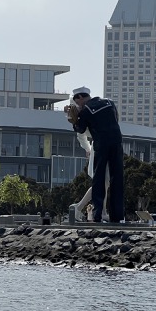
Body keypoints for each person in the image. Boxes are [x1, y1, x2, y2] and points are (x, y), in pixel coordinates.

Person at [72, 86, 124, 223]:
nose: (77, 105)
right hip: (117, 141)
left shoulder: (86, 111)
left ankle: (98, 213)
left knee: (99, 180)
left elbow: (80, 130)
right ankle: (117, 215)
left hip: (101, 144)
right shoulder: (109, 102)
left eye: (77, 102)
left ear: (80, 98)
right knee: (116, 178)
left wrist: (75, 120)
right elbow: (116, 118)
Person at [65, 90, 110, 221]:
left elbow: (81, 135)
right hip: (99, 148)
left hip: (101, 147)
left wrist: (88, 148)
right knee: (102, 183)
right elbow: (81, 135)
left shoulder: (88, 112)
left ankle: (96, 210)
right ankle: (81, 208)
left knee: (104, 184)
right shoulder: (85, 114)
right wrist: (89, 149)